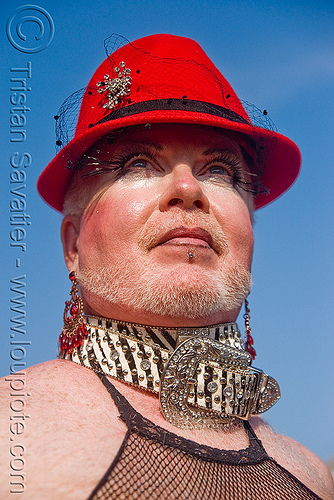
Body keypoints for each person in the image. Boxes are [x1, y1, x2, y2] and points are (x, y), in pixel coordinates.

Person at [1, 34, 333, 500]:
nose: (188, 187)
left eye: (220, 170)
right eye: (138, 163)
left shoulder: (313, 473)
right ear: (72, 245)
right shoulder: (12, 440)